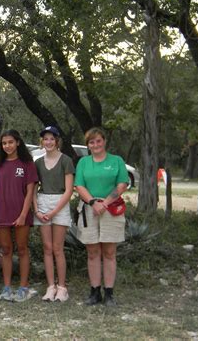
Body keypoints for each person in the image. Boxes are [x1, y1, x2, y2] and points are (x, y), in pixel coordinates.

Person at [74, 127, 128, 307]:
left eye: (98, 141)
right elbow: (79, 185)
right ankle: (95, 291)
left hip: (111, 208)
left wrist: (105, 203)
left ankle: (109, 293)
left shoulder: (116, 161)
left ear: (104, 141)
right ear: (87, 145)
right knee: (93, 252)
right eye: (91, 142)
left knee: (110, 252)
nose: (95, 144)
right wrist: (92, 203)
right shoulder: (83, 162)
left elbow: (122, 184)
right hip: (90, 209)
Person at [0, 129, 38, 302]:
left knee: (22, 249)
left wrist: (24, 214)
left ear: (17, 142)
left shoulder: (27, 163)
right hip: (1, 213)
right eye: (4, 143)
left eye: (10, 142)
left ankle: (23, 287)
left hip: (21, 214)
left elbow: (31, 191)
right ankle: (7, 287)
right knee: (6, 250)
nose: (7, 146)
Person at [33, 126, 75, 302]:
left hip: (60, 203)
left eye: (52, 139)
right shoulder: (38, 162)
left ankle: (62, 287)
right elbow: (34, 189)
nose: (48, 142)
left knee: (58, 248)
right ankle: (50, 286)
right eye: (45, 139)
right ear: (42, 142)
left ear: (57, 141)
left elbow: (69, 190)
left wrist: (53, 212)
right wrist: (36, 209)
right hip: (42, 201)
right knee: (47, 248)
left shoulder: (66, 160)